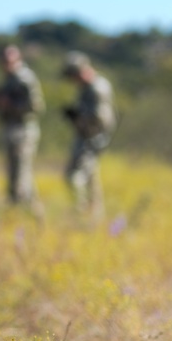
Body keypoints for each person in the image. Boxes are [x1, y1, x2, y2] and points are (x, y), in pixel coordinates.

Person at [61, 51, 116, 218]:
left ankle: (81, 212)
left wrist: (79, 117)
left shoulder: (96, 88)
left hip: (92, 138)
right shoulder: (89, 87)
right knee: (91, 176)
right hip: (88, 136)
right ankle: (95, 216)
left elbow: (99, 118)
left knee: (75, 176)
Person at [0, 45, 45, 209]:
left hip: (23, 130)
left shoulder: (24, 78)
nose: (6, 64)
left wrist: (10, 104)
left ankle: (23, 211)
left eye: (10, 60)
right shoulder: (9, 79)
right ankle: (26, 210)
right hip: (11, 128)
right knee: (16, 174)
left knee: (21, 174)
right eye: (4, 61)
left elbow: (36, 106)